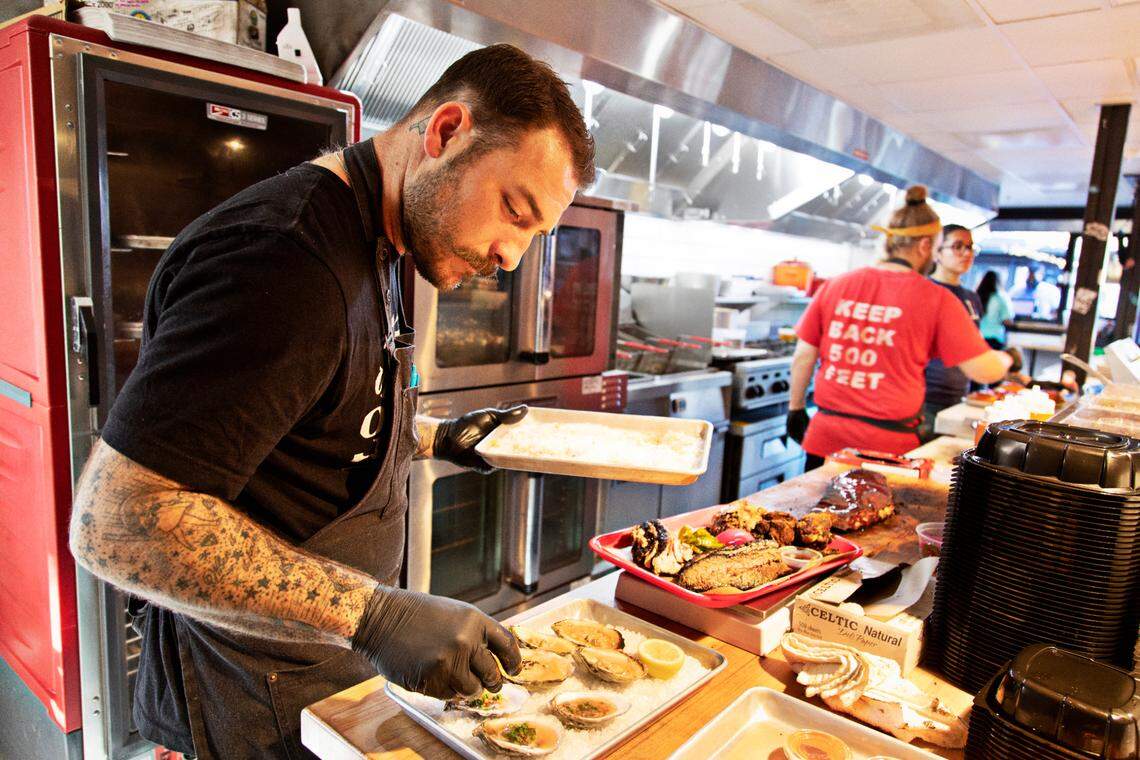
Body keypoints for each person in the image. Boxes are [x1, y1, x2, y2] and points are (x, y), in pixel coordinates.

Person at [68, 44, 594, 759]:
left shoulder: (385, 234)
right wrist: (374, 615)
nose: (511, 258)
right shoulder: (282, 262)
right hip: (246, 691)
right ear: (446, 132)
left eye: (534, 235)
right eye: (513, 211)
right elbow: (116, 522)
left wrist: (435, 437)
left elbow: (315, 419)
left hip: (318, 668)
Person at [785, 186, 1011, 469]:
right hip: (885, 448)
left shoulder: (836, 285)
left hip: (826, 438)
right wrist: (1006, 358)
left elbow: (803, 355)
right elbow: (984, 370)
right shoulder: (936, 298)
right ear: (925, 246)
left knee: (814, 498)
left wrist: (795, 408)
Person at [919, 224, 985, 440]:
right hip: (925, 397)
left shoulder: (972, 298)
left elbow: (974, 347)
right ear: (937, 251)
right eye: (957, 246)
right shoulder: (923, 291)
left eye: (970, 247)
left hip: (960, 396)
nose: (966, 253)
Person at [977, 270, 1015, 348]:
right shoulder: (1001, 298)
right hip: (995, 339)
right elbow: (1007, 321)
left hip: (977, 337)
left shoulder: (976, 296)